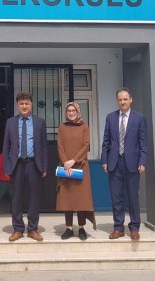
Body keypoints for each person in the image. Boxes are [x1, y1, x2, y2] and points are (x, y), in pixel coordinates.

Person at [101, 87, 148, 241]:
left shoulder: (139, 118)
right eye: (120, 99)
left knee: (133, 197)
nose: (123, 102)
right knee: (116, 197)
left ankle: (134, 228)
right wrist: (104, 160)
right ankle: (118, 228)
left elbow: (143, 142)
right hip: (114, 162)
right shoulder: (110, 117)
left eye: (125, 99)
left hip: (133, 163)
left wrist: (142, 161)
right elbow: (106, 141)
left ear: (131, 100)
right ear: (117, 101)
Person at [3, 92, 48, 242]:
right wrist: (7, 167)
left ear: (31, 104)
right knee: (16, 198)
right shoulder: (10, 122)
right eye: (21, 103)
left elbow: (43, 147)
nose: (24, 106)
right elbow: (6, 147)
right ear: (17, 105)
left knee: (34, 197)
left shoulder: (40, 122)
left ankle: (33, 228)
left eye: (27, 103)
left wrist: (44, 167)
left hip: (34, 164)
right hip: (16, 165)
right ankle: (18, 229)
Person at [56, 102, 96, 241]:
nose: (71, 113)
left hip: (80, 166)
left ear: (78, 112)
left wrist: (73, 160)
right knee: (68, 198)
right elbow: (60, 146)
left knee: (81, 198)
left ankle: (81, 227)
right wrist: (65, 162)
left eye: (73, 110)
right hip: (66, 167)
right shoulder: (62, 127)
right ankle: (68, 228)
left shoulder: (84, 127)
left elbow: (86, 145)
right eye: (69, 111)